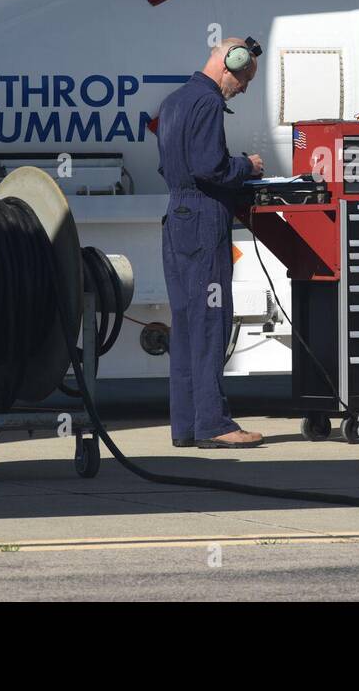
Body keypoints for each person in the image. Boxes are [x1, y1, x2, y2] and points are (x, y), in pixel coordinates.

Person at [155, 37, 266, 449]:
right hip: (203, 220)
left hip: (177, 218)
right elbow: (209, 167)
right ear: (231, 64)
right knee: (211, 322)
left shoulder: (173, 102)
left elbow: (170, 164)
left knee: (185, 324)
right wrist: (246, 166)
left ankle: (186, 425)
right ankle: (214, 424)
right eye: (245, 79)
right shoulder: (207, 103)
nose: (245, 87)